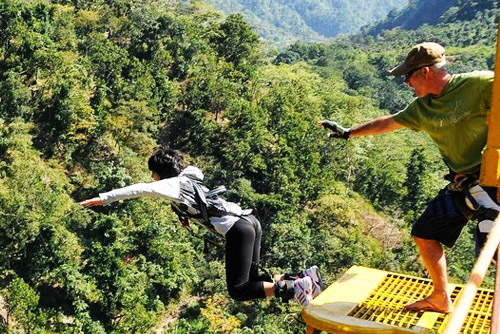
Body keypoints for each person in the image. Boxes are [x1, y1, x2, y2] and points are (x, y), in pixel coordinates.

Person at [319, 42, 499, 313]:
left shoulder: (479, 85)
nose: (405, 81)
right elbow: (388, 122)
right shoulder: (422, 108)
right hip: (465, 182)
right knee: (425, 233)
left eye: (409, 75)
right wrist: (348, 132)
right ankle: (440, 297)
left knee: (489, 242)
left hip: (493, 176)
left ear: (425, 72)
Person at [80, 147, 324, 307]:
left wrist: (103, 198)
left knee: (239, 290)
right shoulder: (188, 178)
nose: (153, 178)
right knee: (255, 281)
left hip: (237, 229)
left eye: (154, 173)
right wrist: (181, 213)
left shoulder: (172, 184)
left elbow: (140, 189)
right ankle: (305, 277)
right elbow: (193, 200)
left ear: (160, 173)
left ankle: (297, 288)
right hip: (250, 221)